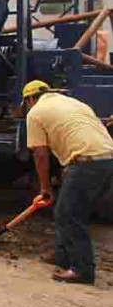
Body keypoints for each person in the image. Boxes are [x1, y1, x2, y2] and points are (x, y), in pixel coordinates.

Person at [24, 80, 113, 285]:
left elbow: (40, 154)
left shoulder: (35, 113)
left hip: (86, 162)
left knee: (69, 214)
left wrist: (45, 187)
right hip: (107, 160)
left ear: (29, 99)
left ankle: (82, 270)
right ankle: (62, 257)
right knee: (70, 210)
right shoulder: (75, 103)